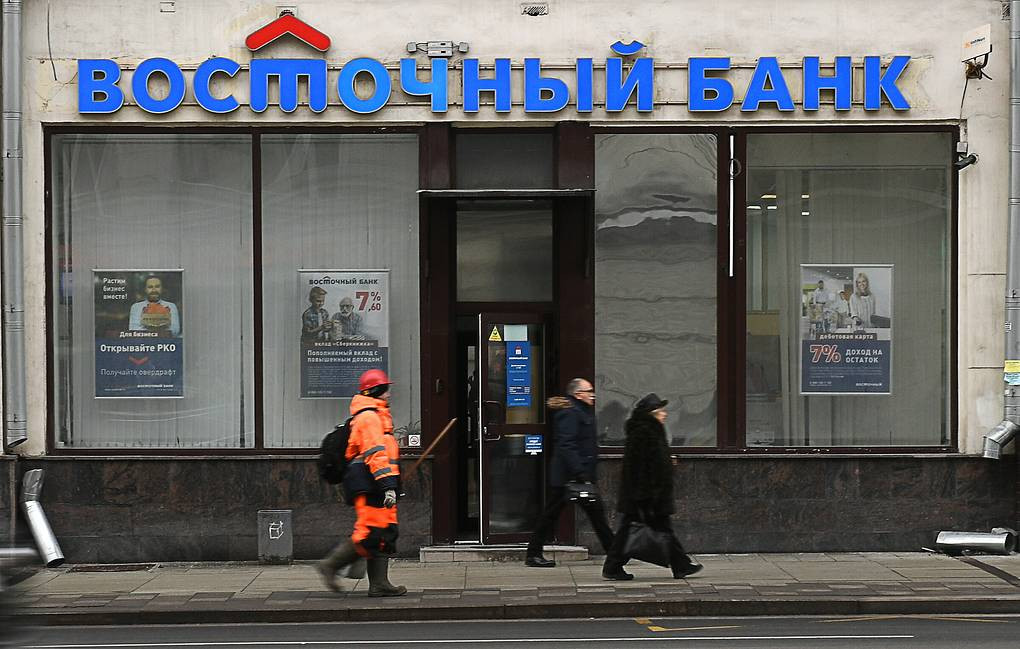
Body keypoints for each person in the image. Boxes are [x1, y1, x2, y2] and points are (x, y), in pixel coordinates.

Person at [316, 368, 406, 597]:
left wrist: (392, 484)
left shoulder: (378, 416)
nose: (389, 394)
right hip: (369, 483)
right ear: (374, 391)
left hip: (377, 482)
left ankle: (379, 584)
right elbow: (375, 454)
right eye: (385, 390)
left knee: (385, 532)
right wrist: (387, 486)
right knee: (370, 532)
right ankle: (330, 565)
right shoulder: (369, 418)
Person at [602, 393, 702, 580]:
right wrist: (645, 497)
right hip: (646, 495)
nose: (665, 413)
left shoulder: (651, 429)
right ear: (651, 412)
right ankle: (680, 565)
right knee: (643, 531)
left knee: (643, 530)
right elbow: (640, 466)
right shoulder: (644, 432)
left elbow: (653, 460)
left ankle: (680, 565)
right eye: (661, 410)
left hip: (648, 494)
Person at [525, 378, 614, 568]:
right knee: (552, 515)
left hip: (576, 475)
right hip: (568, 477)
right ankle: (533, 554)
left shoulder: (581, 410)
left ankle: (615, 558)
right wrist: (580, 471)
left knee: (597, 517)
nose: (593, 395)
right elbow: (567, 444)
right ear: (578, 394)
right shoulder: (570, 412)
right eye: (589, 391)